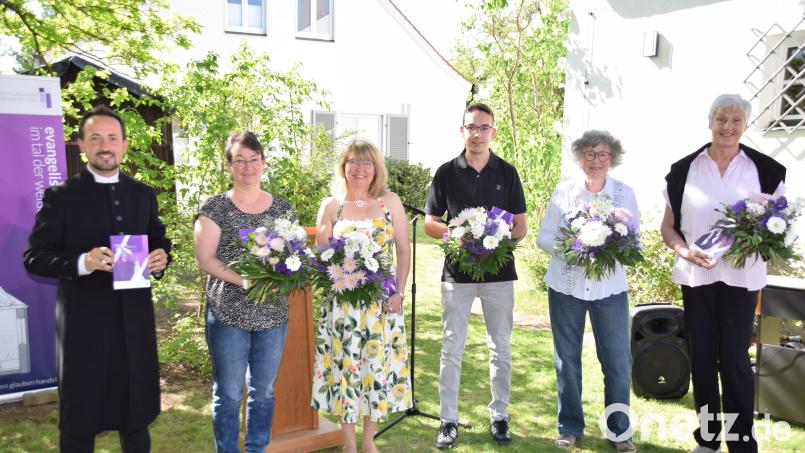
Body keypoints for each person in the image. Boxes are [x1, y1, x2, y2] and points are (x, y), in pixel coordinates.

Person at [23, 105, 171, 453]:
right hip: (83, 327)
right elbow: (34, 257)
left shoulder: (142, 194)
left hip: (134, 325)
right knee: (81, 418)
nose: (105, 145)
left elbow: (158, 239)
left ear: (124, 144)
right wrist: (82, 262)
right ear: (81, 145)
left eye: (112, 138)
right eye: (95, 138)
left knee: (135, 416)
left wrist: (162, 258)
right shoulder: (61, 198)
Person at [661, 94, 785, 453]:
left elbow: (778, 225)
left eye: (735, 120)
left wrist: (756, 242)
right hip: (696, 277)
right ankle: (709, 438)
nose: (727, 127)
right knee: (701, 359)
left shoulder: (766, 169)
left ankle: (742, 442)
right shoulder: (684, 169)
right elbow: (668, 227)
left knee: (733, 360)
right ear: (710, 121)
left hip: (742, 279)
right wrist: (684, 250)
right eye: (721, 119)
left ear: (745, 125)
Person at [424, 103, 527, 449]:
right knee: (452, 347)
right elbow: (430, 222)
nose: (477, 133)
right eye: (471, 127)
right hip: (457, 276)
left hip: (499, 275)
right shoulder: (445, 173)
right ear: (462, 130)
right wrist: (453, 235)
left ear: (493, 131)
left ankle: (499, 416)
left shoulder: (508, 173)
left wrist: (497, 244)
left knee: (501, 348)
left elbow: (521, 226)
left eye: (484, 127)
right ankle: (448, 420)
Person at [536, 130, 638, 452]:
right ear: (580, 157)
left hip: (610, 290)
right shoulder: (563, 192)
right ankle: (569, 426)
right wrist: (577, 250)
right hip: (567, 287)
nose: (596, 161)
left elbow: (634, 241)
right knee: (566, 360)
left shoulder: (625, 193)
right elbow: (544, 238)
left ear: (612, 159)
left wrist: (608, 247)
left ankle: (619, 431)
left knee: (618, 362)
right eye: (590, 154)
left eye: (603, 155)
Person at [311, 139, 413, 453]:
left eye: (366, 163)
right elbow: (321, 256)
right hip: (343, 307)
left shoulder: (389, 202)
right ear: (343, 167)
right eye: (353, 162)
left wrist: (399, 292)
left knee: (376, 370)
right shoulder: (331, 206)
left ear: (376, 168)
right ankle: (348, 444)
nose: (360, 169)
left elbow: (404, 250)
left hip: (382, 304)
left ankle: (369, 441)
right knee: (346, 370)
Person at [193, 132, 293, 453]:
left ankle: (256, 449)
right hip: (227, 313)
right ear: (229, 165)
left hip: (272, 315)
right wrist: (244, 280)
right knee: (229, 393)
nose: (248, 166)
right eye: (240, 160)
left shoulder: (283, 208)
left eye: (253, 159)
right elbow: (204, 259)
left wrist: (285, 273)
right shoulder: (214, 208)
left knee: (263, 390)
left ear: (263, 163)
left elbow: (293, 256)